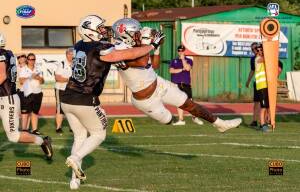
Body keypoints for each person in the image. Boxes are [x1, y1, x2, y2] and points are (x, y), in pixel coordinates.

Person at [61, 15, 164, 190]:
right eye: (100, 28)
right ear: (89, 30)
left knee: (79, 137)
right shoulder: (101, 48)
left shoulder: (79, 45)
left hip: (67, 97)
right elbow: (125, 54)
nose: (103, 30)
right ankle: (75, 159)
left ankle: (74, 180)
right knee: (99, 135)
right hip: (85, 98)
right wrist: (151, 46)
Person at [111, 18, 241, 133]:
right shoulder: (119, 50)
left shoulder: (137, 46)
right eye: (137, 33)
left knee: (189, 104)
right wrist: (148, 43)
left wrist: (156, 48)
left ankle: (220, 124)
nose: (139, 35)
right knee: (167, 119)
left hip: (159, 84)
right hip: (145, 100)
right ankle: (171, 119)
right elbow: (141, 61)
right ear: (126, 35)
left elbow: (154, 65)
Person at [0, 32, 52, 160]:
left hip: (7, 99)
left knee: (13, 136)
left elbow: (2, 76)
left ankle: (42, 141)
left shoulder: (1, 54)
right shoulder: (8, 53)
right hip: (4, 97)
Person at [169, 45, 204, 126]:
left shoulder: (189, 60)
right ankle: (181, 120)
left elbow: (187, 68)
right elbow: (171, 71)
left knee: (190, 102)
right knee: (179, 102)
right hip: (176, 84)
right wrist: (181, 70)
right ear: (177, 51)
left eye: (182, 50)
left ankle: (195, 118)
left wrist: (183, 60)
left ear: (184, 51)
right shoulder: (174, 61)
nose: (180, 52)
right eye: (179, 51)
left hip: (186, 84)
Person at [19, 53, 44, 135]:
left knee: (34, 112)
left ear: (35, 60)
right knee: (25, 112)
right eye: (29, 59)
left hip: (37, 92)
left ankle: (34, 129)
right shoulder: (23, 69)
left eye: (33, 59)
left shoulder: (38, 69)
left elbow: (42, 81)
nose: (31, 61)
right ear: (27, 60)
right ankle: (24, 129)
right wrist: (30, 77)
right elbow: (21, 81)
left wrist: (37, 77)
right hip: (26, 93)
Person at [54, 48, 73, 134]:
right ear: (66, 55)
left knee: (72, 109)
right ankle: (58, 127)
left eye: (72, 54)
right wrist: (69, 80)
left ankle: (72, 127)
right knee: (60, 108)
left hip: (72, 90)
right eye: (69, 54)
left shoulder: (76, 64)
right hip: (61, 89)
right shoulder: (61, 64)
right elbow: (57, 78)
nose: (71, 56)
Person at [254, 44, 269, 131]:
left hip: (265, 86)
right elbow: (266, 58)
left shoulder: (263, 59)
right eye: (258, 50)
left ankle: (264, 122)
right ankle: (262, 125)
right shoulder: (258, 59)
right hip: (261, 86)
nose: (260, 51)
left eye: (261, 50)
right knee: (263, 107)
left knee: (266, 106)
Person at [245, 42, 260, 127]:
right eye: (252, 49)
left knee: (265, 104)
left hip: (265, 83)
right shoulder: (252, 59)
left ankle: (267, 121)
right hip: (257, 82)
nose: (254, 50)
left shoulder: (264, 57)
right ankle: (254, 121)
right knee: (256, 103)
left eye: (255, 48)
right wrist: (248, 81)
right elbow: (252, 71)